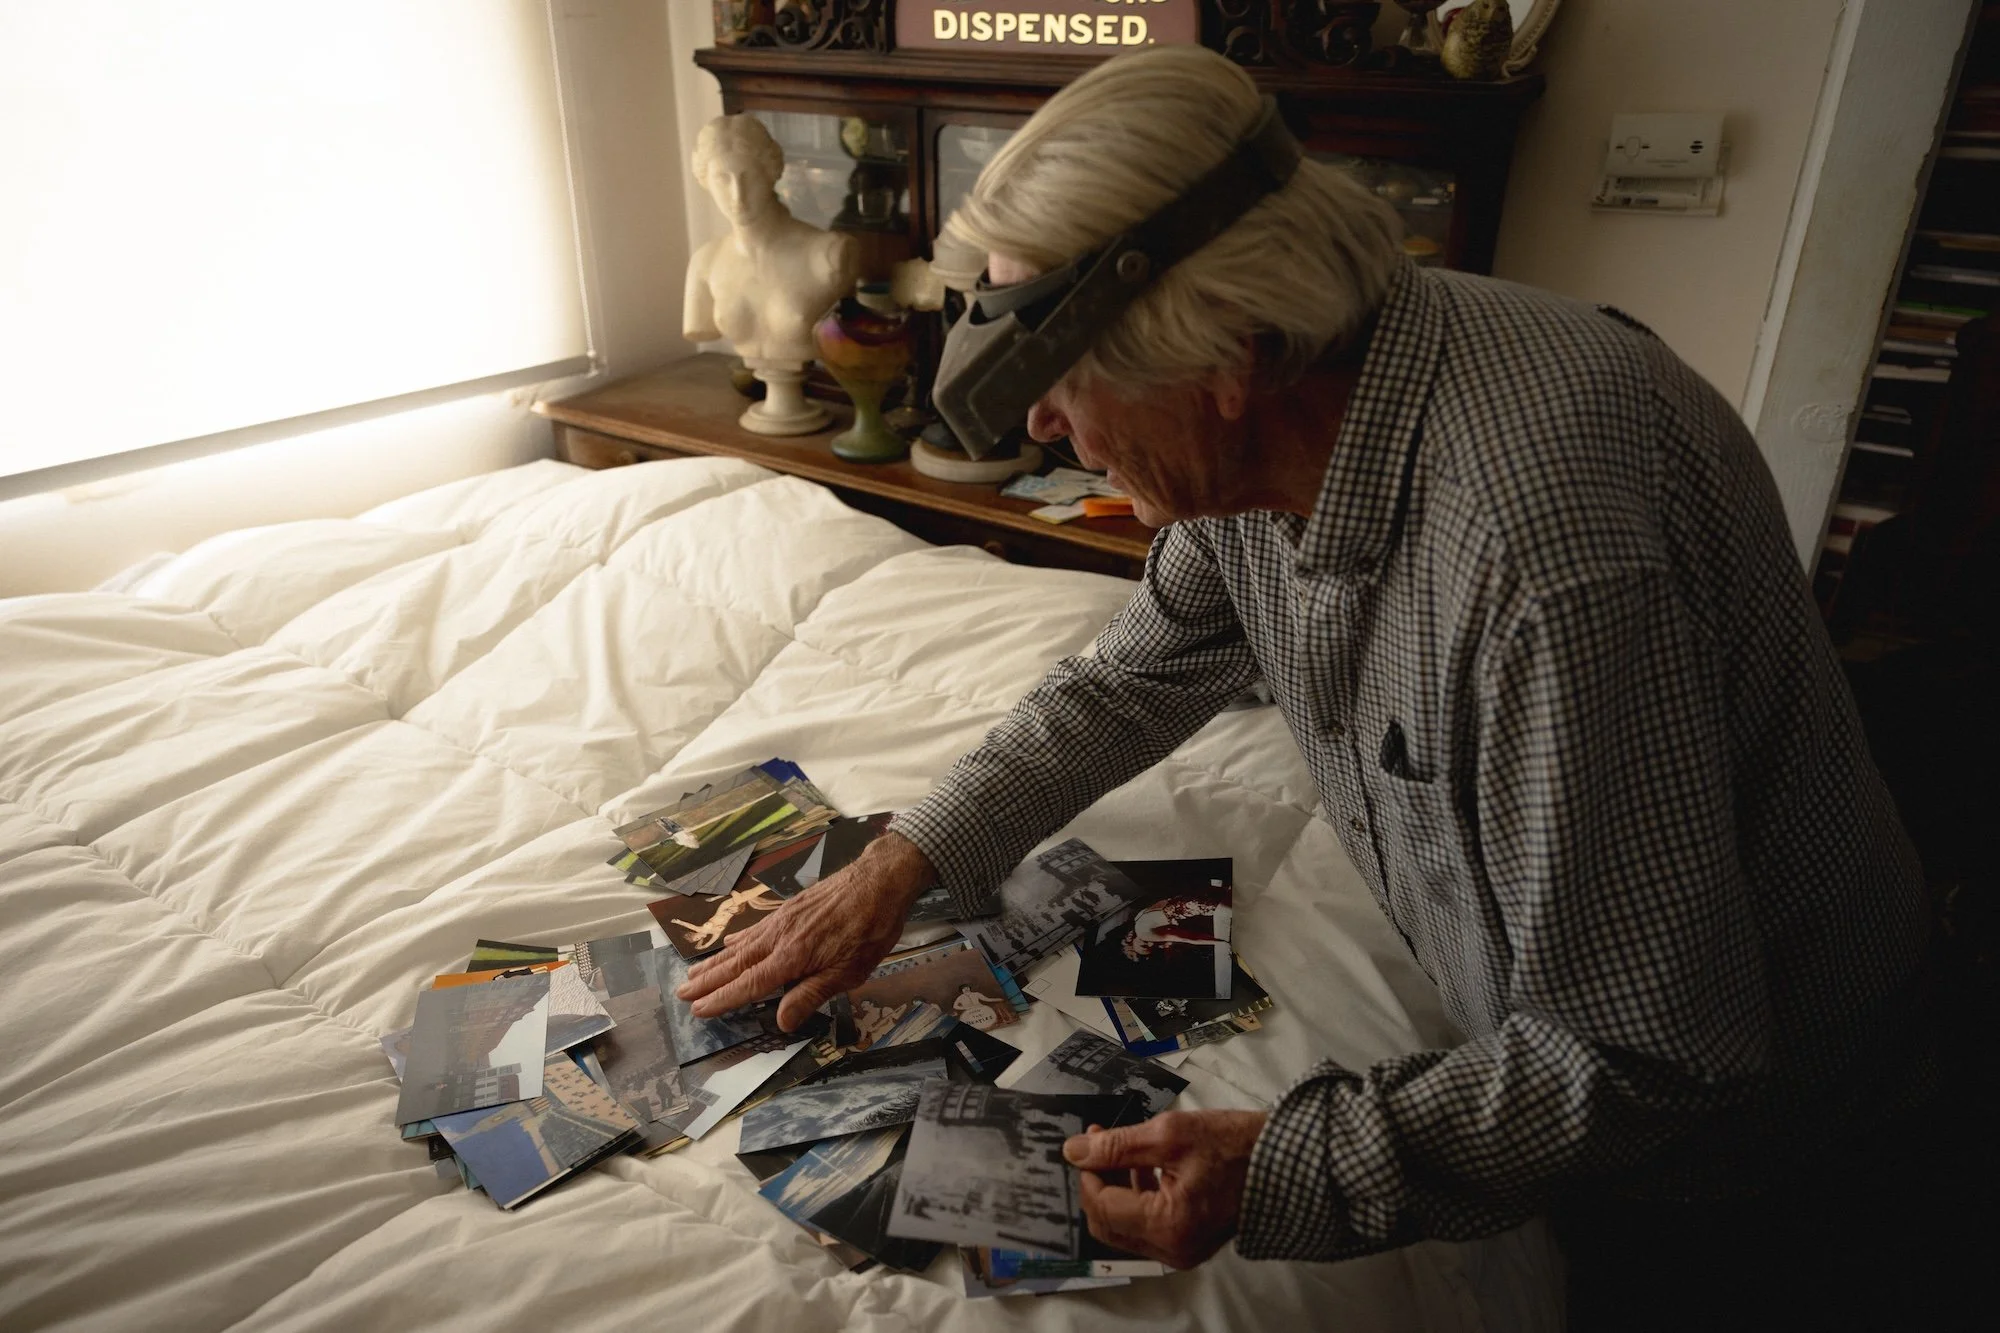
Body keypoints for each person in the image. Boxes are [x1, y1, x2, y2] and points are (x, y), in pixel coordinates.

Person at [678, 46, 1946, 1328]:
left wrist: (1283, 1165)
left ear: (1223, 356)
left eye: (1064, 382)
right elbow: (1125, 681)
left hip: (1757, 1163)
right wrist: (903, 859)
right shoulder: (1287, 418)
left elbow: (1656, 1052)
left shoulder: (1540, 569)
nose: (1048, 430)